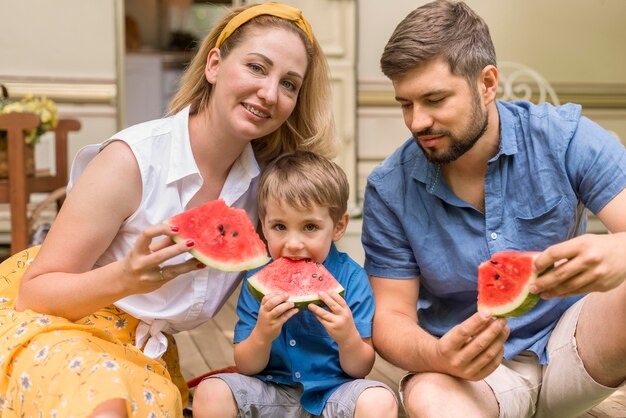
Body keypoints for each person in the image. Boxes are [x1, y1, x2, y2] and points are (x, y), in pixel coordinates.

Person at [0, 3, 337, 417]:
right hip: (58, 328)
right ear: (214, 64)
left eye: (289, 84)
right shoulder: (131, 161)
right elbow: (34, 294)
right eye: (255, 67)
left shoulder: (267, 192)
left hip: (148, 353)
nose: (269, 93)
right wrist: (125, 277)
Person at [361, 1, 626, 417]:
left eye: (434, 99)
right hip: (472, 376)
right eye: (405, 103)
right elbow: (391, 316)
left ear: (486, 84)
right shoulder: (389, 188)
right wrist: (438, 354)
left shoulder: (565, 137)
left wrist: (620, 251)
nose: (416, 122)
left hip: (575, 346)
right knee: (427, 397)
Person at [192, 151, 398, 418]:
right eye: (279, 226)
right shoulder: (257, 278)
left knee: (379, 400)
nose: (293, 244)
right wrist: (263, 334)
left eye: (310, 227)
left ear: (338, 226)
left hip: (333, 396)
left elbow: (360, 369)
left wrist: (347, 337)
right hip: (272, 393)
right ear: (263, 227)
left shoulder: (352, 278)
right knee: (211, 391)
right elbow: (247, 365)